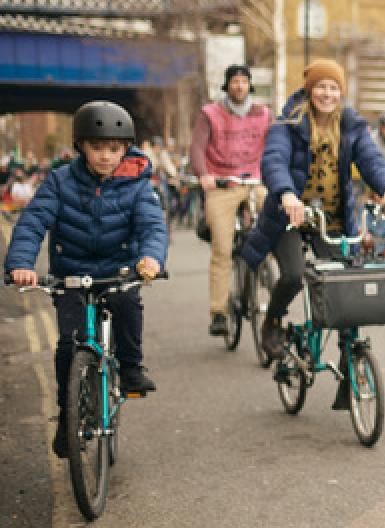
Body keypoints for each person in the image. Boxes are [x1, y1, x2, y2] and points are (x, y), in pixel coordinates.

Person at [4, 101, 167, 458]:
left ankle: (131, 368)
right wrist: (21, 264)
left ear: (126, 148)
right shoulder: (60, 181)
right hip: (72, 273)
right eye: (97, 147)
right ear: (80, 146)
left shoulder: (137, 184)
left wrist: (152, 258)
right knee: (69, 344)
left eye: (114, 148)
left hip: (118, 269)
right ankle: (68, 415)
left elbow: (153, 226)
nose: (106, 156)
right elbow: (33, 222)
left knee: (127, 303)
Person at [241, 58, 385, 410]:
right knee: (294, 274)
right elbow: (274, 160)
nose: (327, 94)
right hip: (289, 217)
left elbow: (372, 161)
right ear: (309, 89)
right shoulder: (288, 122)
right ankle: (272, 322)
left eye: (333, 87)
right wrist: (286, 194)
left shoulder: (351, 125)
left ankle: (348, 369)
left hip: (331, 220)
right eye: (321, 86)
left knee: (345, 289)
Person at [190, 64, 272, 337]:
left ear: (250, 85)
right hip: (222, 183)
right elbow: (197, 148)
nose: (239, 86)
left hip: (255, 182)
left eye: (244, 81)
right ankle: (219, 311)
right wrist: (204, 175)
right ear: (227, 85)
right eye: (234, 81)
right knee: (222, 248)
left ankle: (266, 265)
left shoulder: (264, 114)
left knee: (276, 213)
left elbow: (275, 147)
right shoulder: (210, 114)